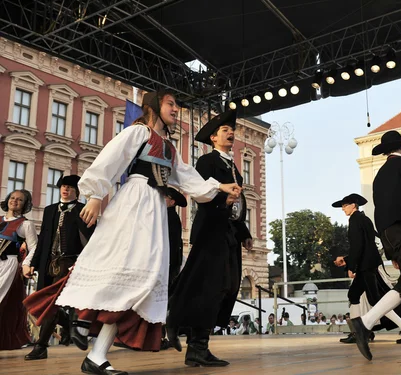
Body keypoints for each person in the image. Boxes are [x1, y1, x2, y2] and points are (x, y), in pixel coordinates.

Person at [24, 90, 240, 375]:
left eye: (177, 104)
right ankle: (78, 316)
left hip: (153, 211)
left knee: (142, 281)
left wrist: (218, 188)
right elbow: (109, 159)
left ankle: (96, 353)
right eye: (170, 104)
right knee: (126, 271)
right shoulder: (139, 133)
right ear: (153, 106)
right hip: (135, 201)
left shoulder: (168, 146)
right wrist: (94, 195)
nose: (176, 108)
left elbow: (186, 177)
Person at [168, 109, 253, 368]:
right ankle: (177, 325)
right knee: (207, 287)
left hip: (229, 235)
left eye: (232, 130)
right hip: (211, 234)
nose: (231, 133)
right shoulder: (207, 162)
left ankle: (198, 347)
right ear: (213, 138)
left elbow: (238, 202)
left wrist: (244, 232)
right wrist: (221, 198)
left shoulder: (233, 166)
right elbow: (201, 193)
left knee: (224, 289)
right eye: (225, 130)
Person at [350, 131, 401, 360]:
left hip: (388, 233)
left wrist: (390, 250)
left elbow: (379, 211)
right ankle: (366, 322)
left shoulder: (379, 175)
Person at [25, 175, 95, 360]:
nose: (66, 190)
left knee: (52, 303)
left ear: (76, 192)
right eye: (64, 187)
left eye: (70, 188)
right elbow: (42, 241)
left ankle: (40, 346)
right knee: (48, 302)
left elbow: (90, 238)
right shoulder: (49, 210)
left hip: (70, 262)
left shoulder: (82, 210)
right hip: (48, 262)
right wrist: (33, 263)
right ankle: (69, 324)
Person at [333, 193, 401, 347]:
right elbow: (366, 246)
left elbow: (358, 246)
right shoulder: (364, 219)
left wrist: (351, 266)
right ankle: (360, 331)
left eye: (345, 205)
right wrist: (348, 260)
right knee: (356, 295)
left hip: (366, 266)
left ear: (354, 205)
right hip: (368, 264)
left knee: (374, 300)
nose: (343, 209)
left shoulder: (355, 220)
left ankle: (400, 328)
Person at [0, 189, 37, 350]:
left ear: (25, 204)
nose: (14, 201)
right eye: (12, 198)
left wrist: (26, 264)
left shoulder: (25, 224)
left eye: (19, 200)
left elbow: (34, 247)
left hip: (8, 264)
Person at [159, 187, 187, 350]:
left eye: (165, 197)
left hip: (166, 265)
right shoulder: (168, 217)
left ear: (172, 201)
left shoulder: (169, 218)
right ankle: (168, 333)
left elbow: (171, 246)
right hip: (168, 265)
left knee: (163, 301)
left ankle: (167, 333)